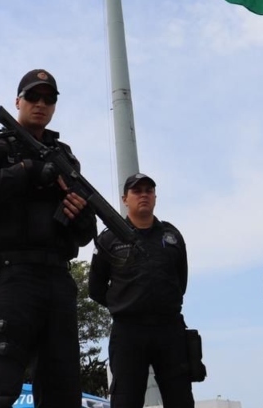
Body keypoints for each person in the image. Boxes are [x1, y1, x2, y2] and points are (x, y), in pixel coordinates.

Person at [0, 69, 97, 408]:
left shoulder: (65, 157)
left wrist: (80, 214)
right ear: (17, 101)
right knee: (0, 389)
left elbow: (84, 235)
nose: (40, 104)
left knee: (62, 393)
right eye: (33, 97)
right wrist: (26, 171)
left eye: (49, 99)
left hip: (57, 280)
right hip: (12, 278)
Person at [88, 173, 195, 408]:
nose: (143, 195)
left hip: (169, 330)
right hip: (128, 332)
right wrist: (125, 303)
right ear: (125, 198)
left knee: (181, 399)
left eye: (148, 190)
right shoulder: (109, 238)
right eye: (137, 191)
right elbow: (95, 288)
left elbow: (181, 283)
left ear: (155, 197)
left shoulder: (172, 236)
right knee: (125, 399)